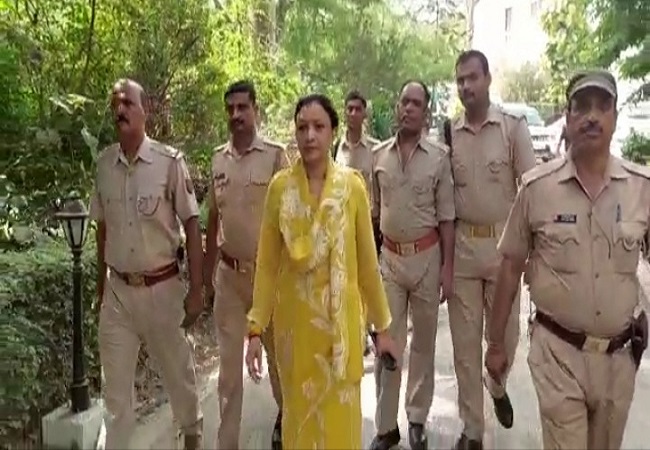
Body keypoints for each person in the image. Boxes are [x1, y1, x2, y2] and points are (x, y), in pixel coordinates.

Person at [486, 69, 649, 450]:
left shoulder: (642, 188)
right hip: (557, 353)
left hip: (618, 358)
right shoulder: (537, 188)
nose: (592, 116)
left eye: (602, 106)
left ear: (615, 116)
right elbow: (509, 268)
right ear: (567, 116)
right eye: (582, 107)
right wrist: (495, 344)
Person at [244, 93, 398, 449]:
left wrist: (383, 328)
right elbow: (266, 265)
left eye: (318, 126)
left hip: (339, 334)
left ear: (333, 132)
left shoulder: (352, 188)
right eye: (302, 128)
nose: (310, 135)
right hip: (295, 333)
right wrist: (255, 329)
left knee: (340, 426)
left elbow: (367, 265)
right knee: (300, 422)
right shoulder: (280, 189)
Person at [90, 79, 203, 450]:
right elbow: (102, 230)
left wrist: (197, 290)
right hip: (118, 296)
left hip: (162, 290)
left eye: (127, 103)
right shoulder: (104, 165)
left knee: (179, 379)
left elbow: (192, 223)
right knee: (115, 397)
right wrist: (101, 289)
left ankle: (191, 435)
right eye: (115, 104)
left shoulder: (169, 163)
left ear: (146, 111)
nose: (120, 110)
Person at [446, 50, 536, 450]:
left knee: (505, 340)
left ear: (487, 79)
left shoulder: (512, 128)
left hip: (504, 250)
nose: (466, 86)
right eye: (460, 80)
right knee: (465, 349)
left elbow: (532, 191)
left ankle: (496, 386)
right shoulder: (450, 133)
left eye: (472, 78)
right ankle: (472, 431)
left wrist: (533, 253)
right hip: (464, 249)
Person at [370, 80, 456, 450]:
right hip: (390, 261)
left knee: (423, 344)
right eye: (404, 101)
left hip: (427, 260)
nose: (408, 108)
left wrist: (447, 269)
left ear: (426, 112)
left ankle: (417, 418)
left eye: (416, 103)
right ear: (397, 106)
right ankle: (386, 427)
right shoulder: (379, 156)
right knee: (388, 345)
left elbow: (447, 218)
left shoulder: (439, 157)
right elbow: (374, 215)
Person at [203, 80, 287, 450]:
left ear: (255, 110)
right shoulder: (217, 160)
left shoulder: (275, 156)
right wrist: (205, 280)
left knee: (279, 362)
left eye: (242, 107)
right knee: (228, 374)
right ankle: (227, 443)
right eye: (230, 109)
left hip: (270, 280)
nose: (236, 115)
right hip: (229, 280)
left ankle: (287, 423)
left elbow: (292, 218)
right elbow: (212, 220)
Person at [333, 90, 380, 194]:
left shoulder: (376, 149)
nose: (353, 114)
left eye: (358, 109)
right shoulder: (336, 148)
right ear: (344, 113)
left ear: (364, 114)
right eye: (350, 109)